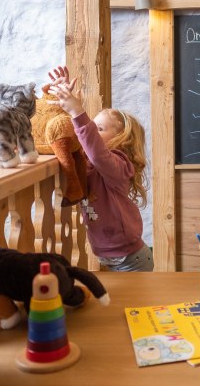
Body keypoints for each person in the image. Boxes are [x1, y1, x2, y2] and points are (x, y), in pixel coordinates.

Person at [47, 66, 153, 271]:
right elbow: (75, 138)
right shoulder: (87, 163)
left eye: (100, 129)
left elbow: (96, 151)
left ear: (122, 140)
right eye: (93, 126)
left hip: (132, 260)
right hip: (109, 257)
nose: (93, 131)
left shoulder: (119, 166)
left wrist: (78, 112)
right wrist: (65, 100)